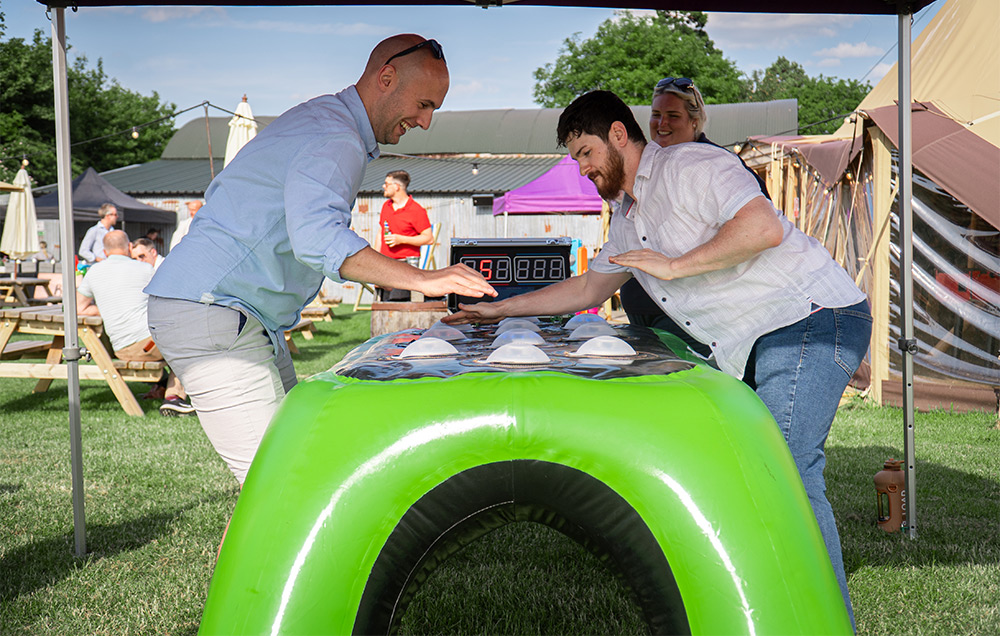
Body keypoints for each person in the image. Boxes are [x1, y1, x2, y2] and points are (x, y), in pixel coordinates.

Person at [444, 90, 871, 628]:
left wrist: (675, 266)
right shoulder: (626, 220)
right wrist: (497, 312)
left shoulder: (691, 164)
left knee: (785, 469)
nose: (582, 170)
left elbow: (761, 228)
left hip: (808, 316)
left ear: (619, 135)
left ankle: (823, 621)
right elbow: (585, 291)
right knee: (744, 465)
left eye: (585, 153)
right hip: (752, 340)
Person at [145, 34, 496, 486]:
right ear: (385, 78)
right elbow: (316, 238)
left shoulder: (325, 120)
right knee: (279, 486)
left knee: (301, 462)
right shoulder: (337, 136)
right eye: (424, 104)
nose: (426, 122)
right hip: (213, 310)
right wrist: (423, 278)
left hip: (231, 312)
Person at [620, 77, 770, 344]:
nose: (661, 124)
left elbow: (756, 230)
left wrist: (676, 266)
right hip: (654, 315)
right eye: (656, 115)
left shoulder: (718, 165)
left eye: (673, 116)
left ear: (694, 121)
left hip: (697, 318)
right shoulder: (648, 169)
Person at [76, 230, 194, 416]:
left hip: (121, 348)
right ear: (129, 247)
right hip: (146, 344)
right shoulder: (145, 269)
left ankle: (162, 385)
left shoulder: (93, 272)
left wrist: (107, 309)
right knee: (189, 342)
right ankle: (174, 398)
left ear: (105, 252)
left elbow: (78, 308)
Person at [378, 170, 433, 300]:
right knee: (382, 307)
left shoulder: (416, 210)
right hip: (384, 265)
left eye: (386, 183)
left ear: (396, 187)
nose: (383, 186)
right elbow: (380, 232)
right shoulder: (386, 206)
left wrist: (401, 239)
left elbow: (428, 238)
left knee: (398, 306)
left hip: (405, 267)